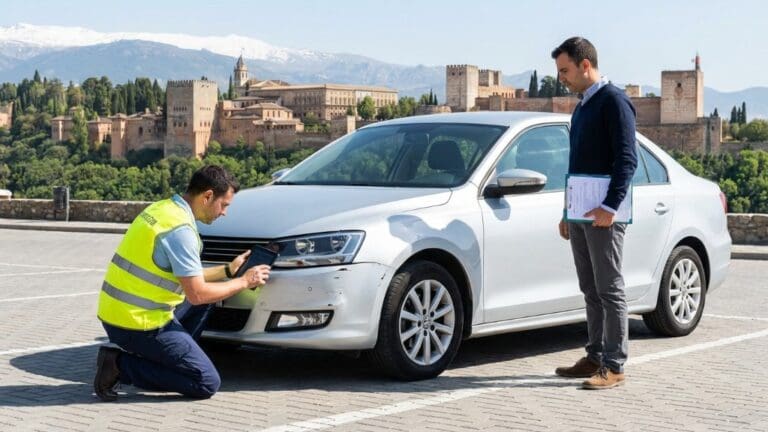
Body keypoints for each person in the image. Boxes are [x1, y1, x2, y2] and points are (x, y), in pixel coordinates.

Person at [93, 165, 271, 401]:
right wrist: (243, 281)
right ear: (208, 196)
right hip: (139, 324)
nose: (224, 212)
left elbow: (187, 277)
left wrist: (228, 270)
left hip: (117, 314)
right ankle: (119, 365)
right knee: (206, 382)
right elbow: (197, 294)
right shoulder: (180, 231)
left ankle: (171, 358)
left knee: (207, 301)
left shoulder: (162, 209)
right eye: (224, 204)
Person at [551, 37, 638, 389]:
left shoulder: (614, 101)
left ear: (585, 65)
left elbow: (627, 160)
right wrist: (566, 211)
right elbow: (577, 164)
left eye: (565, 70)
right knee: (590, 287)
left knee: (609, 287)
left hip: (604, 214)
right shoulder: (582, 106)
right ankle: (595, 357)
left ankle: (614, 365)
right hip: (580, 213)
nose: (562, 78)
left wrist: (610, 207)